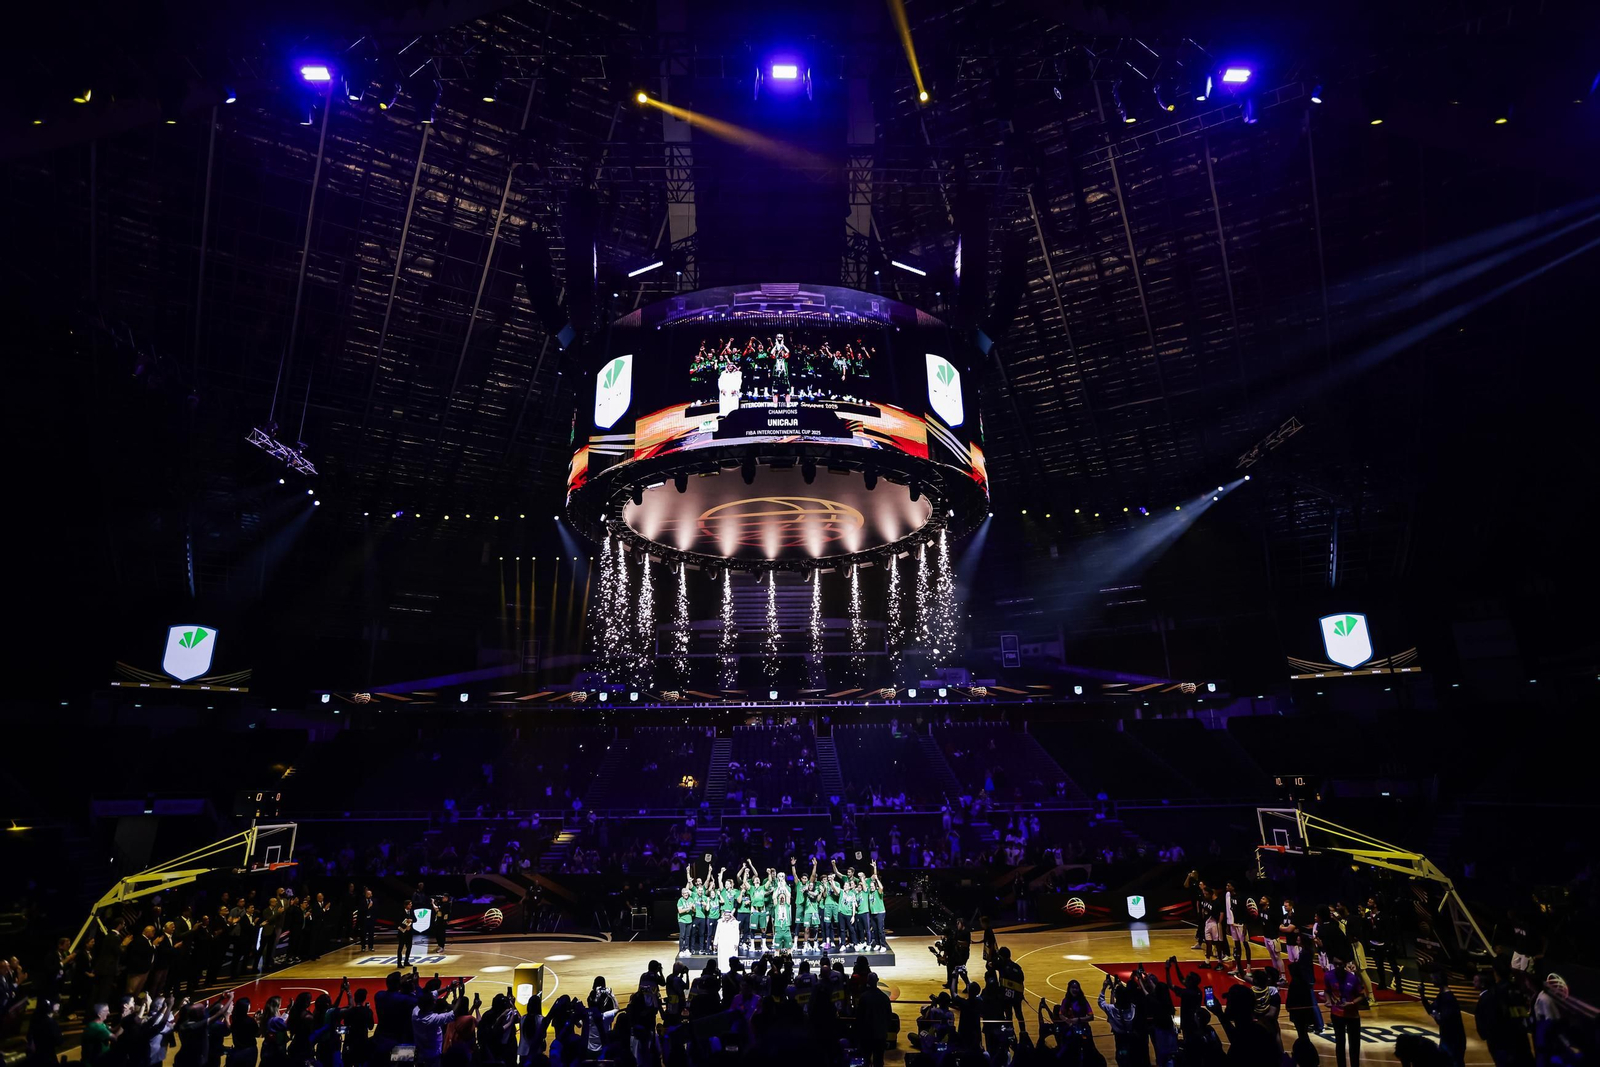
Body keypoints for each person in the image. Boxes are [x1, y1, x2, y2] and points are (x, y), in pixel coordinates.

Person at [1324, 956, 1367, 1067]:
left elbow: (1362, 995)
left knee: (1354, 1044)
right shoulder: (1328, 976)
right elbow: (1327, 991)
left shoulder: (1352, 978)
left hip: (1352, 1015)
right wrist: (1328, 1000)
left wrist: (1352, 1003)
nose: (1337, 966)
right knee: (1340, 1043)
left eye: (1340, 964)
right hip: (1337, 1014)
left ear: (1344, 965)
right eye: (1335, 964)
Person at [1419, 970, 1466, 1067]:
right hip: (1446, 1038)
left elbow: (1442, 1020)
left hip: (1454, 1040)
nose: (1431, 979)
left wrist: (1436, 1015)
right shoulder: (1441, 996)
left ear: (1439, 979)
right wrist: (1422, 996)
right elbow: (1431, 1010)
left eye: (1433, 977)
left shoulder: (1448, 999)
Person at [854, 973, 893, 1067]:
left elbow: (859, 1016)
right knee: (879, 1060)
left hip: (867, 1034)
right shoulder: (884, 997)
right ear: (877, 980)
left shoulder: (863, 997)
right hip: (880, 1034)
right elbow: (889, 1016)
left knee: (866, 1059)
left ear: (867, 981)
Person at [397, 902, 416, 968]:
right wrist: (405, 927)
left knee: (409, 947)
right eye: (409, 904)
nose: (411, 905)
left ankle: (406, 961)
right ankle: (399, 963)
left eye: (411, 904)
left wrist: (412, 920)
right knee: (400, 948)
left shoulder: (412, 911)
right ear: (406, 905)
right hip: (402, 932)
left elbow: (415, 919)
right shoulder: (401, 912)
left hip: (409, 932)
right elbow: (398, 921)